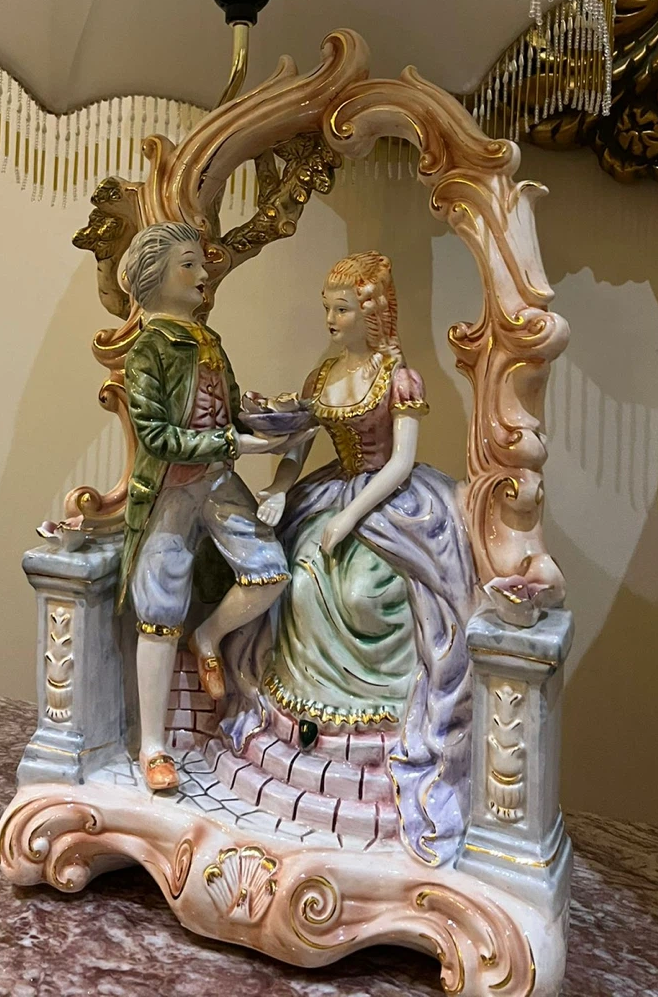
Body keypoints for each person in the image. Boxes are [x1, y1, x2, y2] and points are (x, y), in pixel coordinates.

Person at [221, 251, 478, 864]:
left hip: (388, 502)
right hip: (331, 491)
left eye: (341, 309)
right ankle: (307, 713)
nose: (331, 319)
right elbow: (299, 442)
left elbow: (401, 462)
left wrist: (349, 517)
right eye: (327, 308)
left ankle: (381, 716)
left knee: (365, 593)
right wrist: (280, 489)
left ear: (372, 313)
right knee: (298, 581)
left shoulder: (400, 379)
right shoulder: (324, 375)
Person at [118, 222, 292, 792]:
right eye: (188, 265)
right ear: (155, 278)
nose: (203, 273)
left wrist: (273, 421)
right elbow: (156, 437)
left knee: (269, 571)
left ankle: (209, 637)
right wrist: (235, 443)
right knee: (158, 609)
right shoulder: (149, 349)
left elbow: (230, 408)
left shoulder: (209, 340)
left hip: (218, 482)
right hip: (171, 491)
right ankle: (152, 747)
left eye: (201, 263)